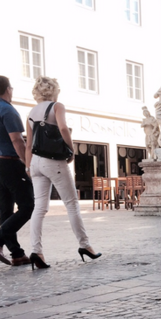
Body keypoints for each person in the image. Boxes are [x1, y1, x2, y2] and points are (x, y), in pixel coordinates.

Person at [25, 76, 101, 269]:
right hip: (53, 161)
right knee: (71, 203)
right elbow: (63, 128)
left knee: (39, 207)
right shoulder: (57, 106)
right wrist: (71, 150)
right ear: (54, 90)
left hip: (35, 162)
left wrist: (28, 166)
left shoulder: (31, 113)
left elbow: (28, 144)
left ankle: (36, 251)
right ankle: (85, 246)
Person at [0, 75, 34, 267]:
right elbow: (17, 141)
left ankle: (17, 254)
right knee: (28, 206)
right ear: (8, 89)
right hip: (8, 163)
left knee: (5, 210)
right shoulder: (7, 110)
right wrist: (28, 165)